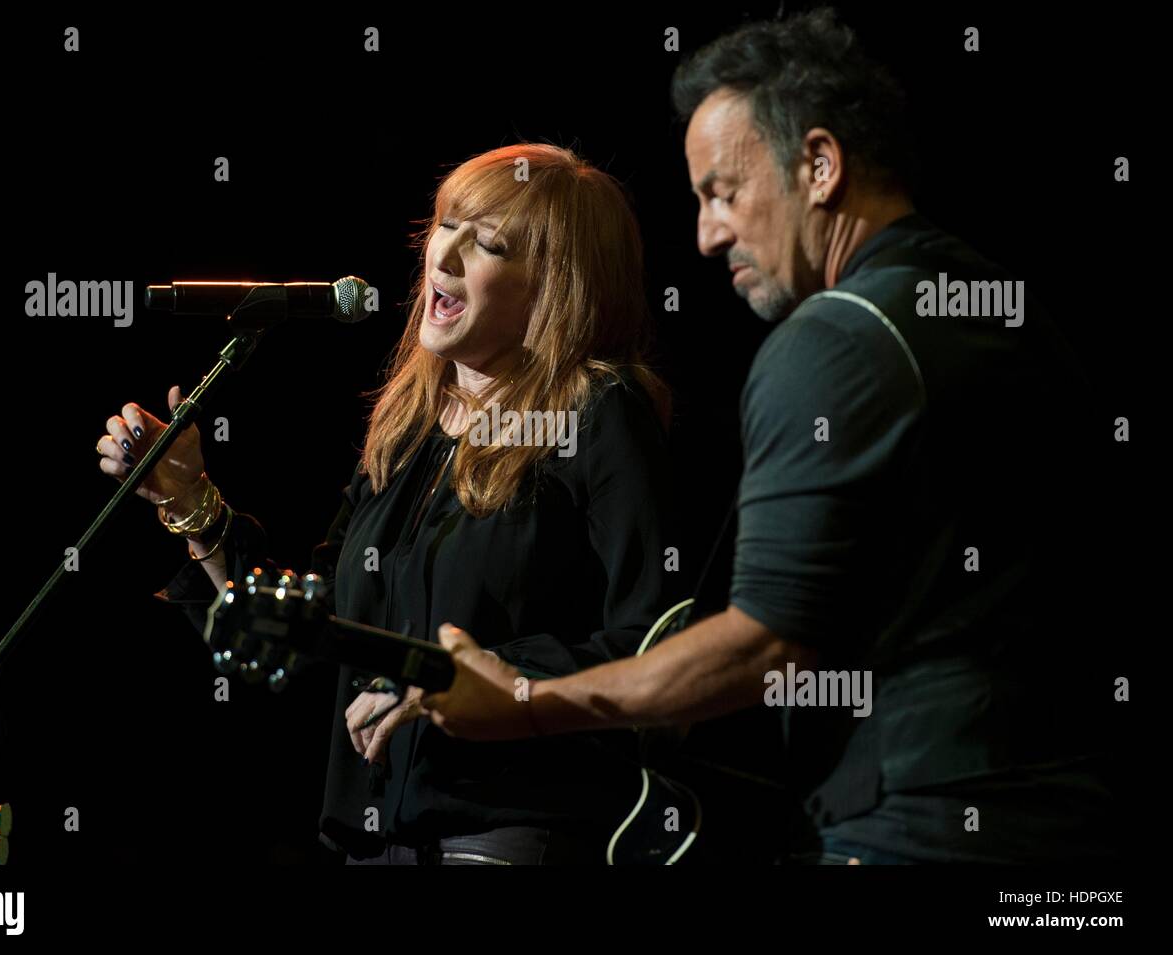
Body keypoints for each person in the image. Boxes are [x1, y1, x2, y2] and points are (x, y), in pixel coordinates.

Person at [421, 10, 1120, 864]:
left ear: (820, 166)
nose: (709, 235)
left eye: (723, 192)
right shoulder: (1008, 311)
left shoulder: (833, 338)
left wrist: (527, 701)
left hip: (920, 826)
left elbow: (763, 644)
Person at [95, 143, 681, 864]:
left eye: (488, 242)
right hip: (373, 840)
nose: (447, 252)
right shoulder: (408, 433)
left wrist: (455, 674)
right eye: (446, 225)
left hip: (509, 834)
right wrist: (192, 503)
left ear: (552, 289)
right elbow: (317, 640)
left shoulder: (598, 414)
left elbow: (657, 640)